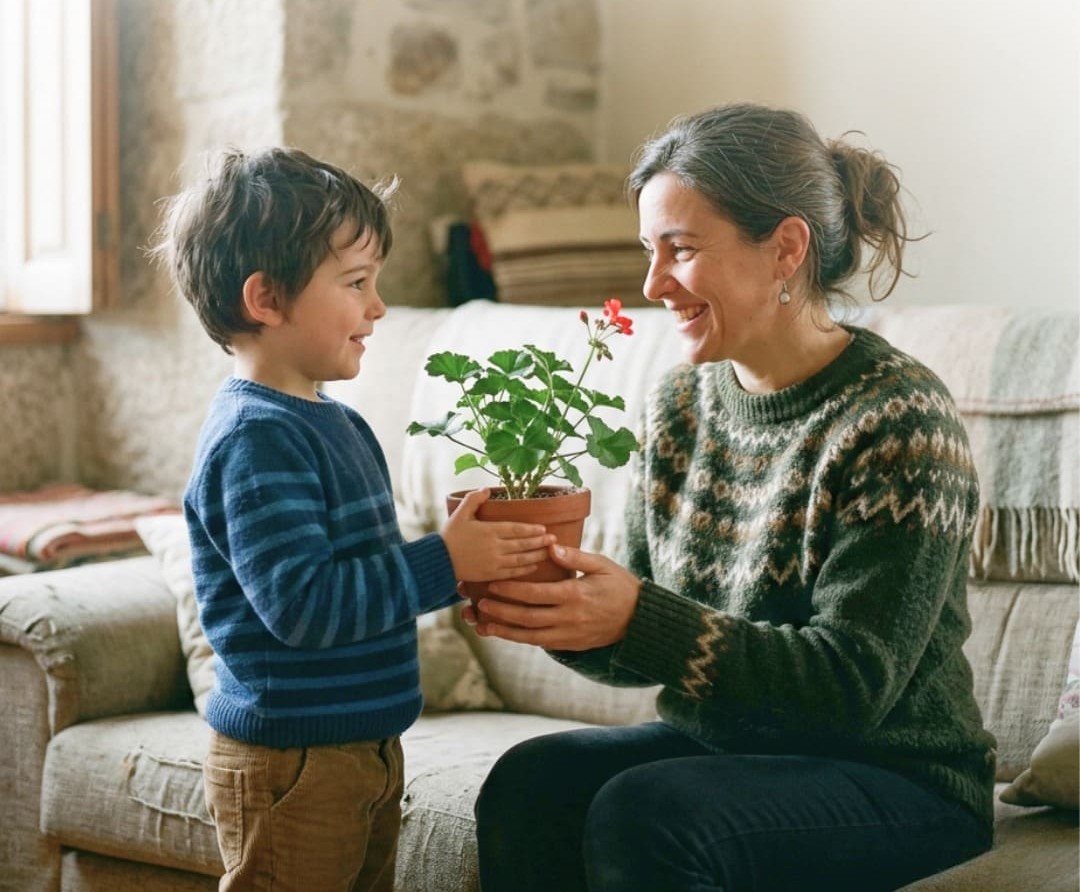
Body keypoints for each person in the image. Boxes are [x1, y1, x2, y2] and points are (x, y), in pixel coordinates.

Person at [468, 103, 996, 892]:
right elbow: (647, 634)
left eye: (679, 250)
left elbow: (847, 690)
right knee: (531, 783)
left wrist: (638, 616)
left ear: (785, 248)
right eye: (649, 252)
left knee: (649, 811)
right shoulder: (681, 406)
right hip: (730, 754)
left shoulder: (899, 422)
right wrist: (565, 614)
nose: (652, 285)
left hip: (899, 779)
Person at [153, 146, 555, 892]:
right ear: (266, 300)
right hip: (293, 764)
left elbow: (364, 572)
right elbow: (304, 606)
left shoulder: (333, 421)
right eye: (357, 283)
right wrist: (444, 562)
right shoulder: (256, 438)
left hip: (364, 747)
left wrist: (459, 561)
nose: (378, 307)